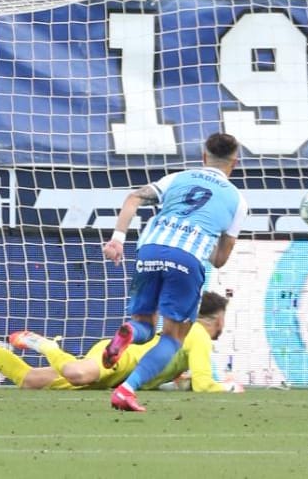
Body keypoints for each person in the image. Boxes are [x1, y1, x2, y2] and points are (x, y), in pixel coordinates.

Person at [100, 131, 247, 413]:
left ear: (204, 157)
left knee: (143, 322)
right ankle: (126, 390)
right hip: (187, 258)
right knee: (173, 337)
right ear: (235, 163)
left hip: (150, 249)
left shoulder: (177, 178)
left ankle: (130, 330)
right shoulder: (238, 202)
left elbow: (134, 198)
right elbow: (219, 260)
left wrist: (118, 239)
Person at [0, 292, 241, 392]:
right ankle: (44, 344)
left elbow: (183, 381)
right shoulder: (198, 334)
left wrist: (178, 381)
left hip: (116, 377)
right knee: (78, 373)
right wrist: (230, 387)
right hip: (121, 359)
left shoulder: (185, 334)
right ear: (218, 319)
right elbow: (204, 386)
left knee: (29, 380)